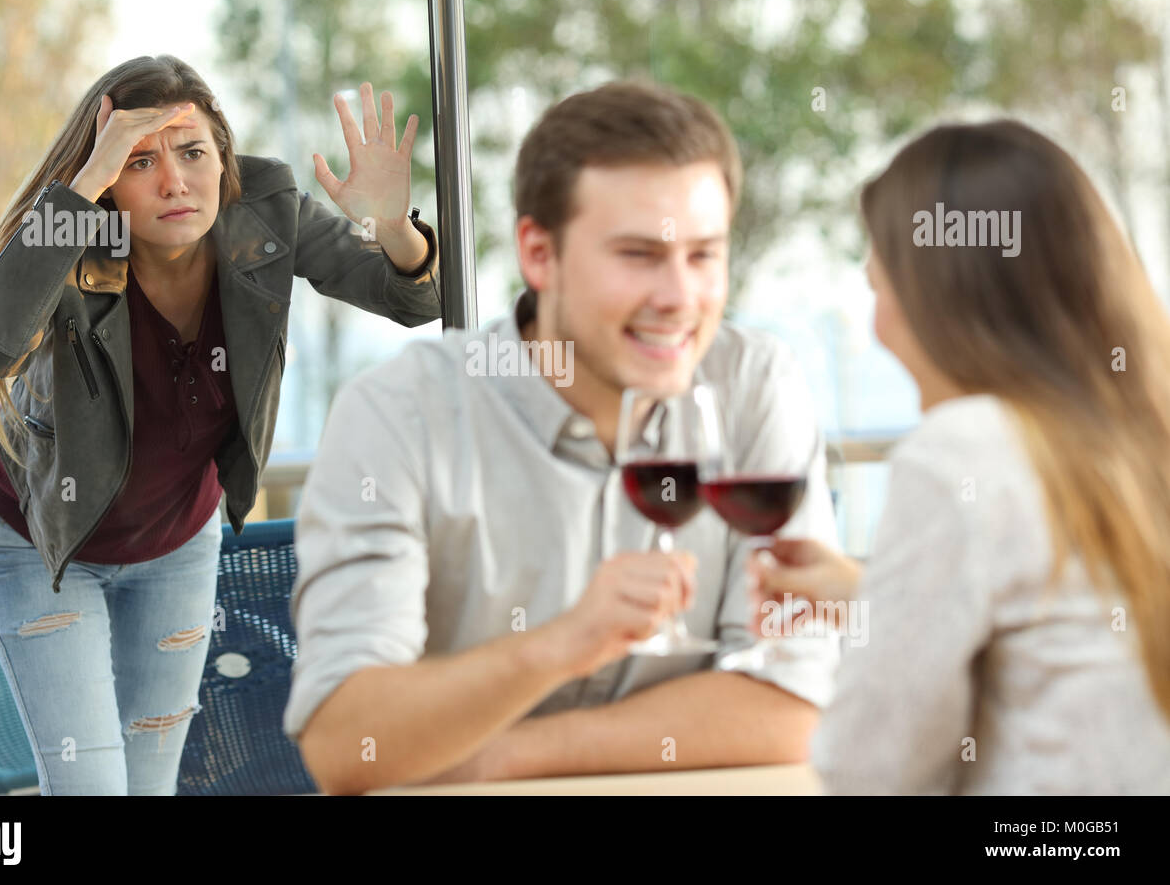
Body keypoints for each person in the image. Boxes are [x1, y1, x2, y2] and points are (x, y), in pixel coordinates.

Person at [285, 80, 840, 795]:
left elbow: (791, 706)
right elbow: (347, 743)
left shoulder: (753, 383)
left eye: (703, 255)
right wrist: (557, 647)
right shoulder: (399, 415)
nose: (680, 298)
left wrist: (496, 756)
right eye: (639, 255)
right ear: (539, 254)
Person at [0, 54, 440, 795]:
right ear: (106, 183)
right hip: (40, 545)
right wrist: (80, 188)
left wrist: (392, 227)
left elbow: (414, 301)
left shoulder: (268, 213)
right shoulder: (76, 235)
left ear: (223, 159)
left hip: (177, 547)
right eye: (138, 162)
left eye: (192, 153)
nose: (174, 182)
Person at [748, 119, 1170, 793]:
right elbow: (1069, 629)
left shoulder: (965, 449)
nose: (875, 323)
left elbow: (871, 770)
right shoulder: (1136, 438)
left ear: (936, 300)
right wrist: (874, 594)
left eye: (876, 287)